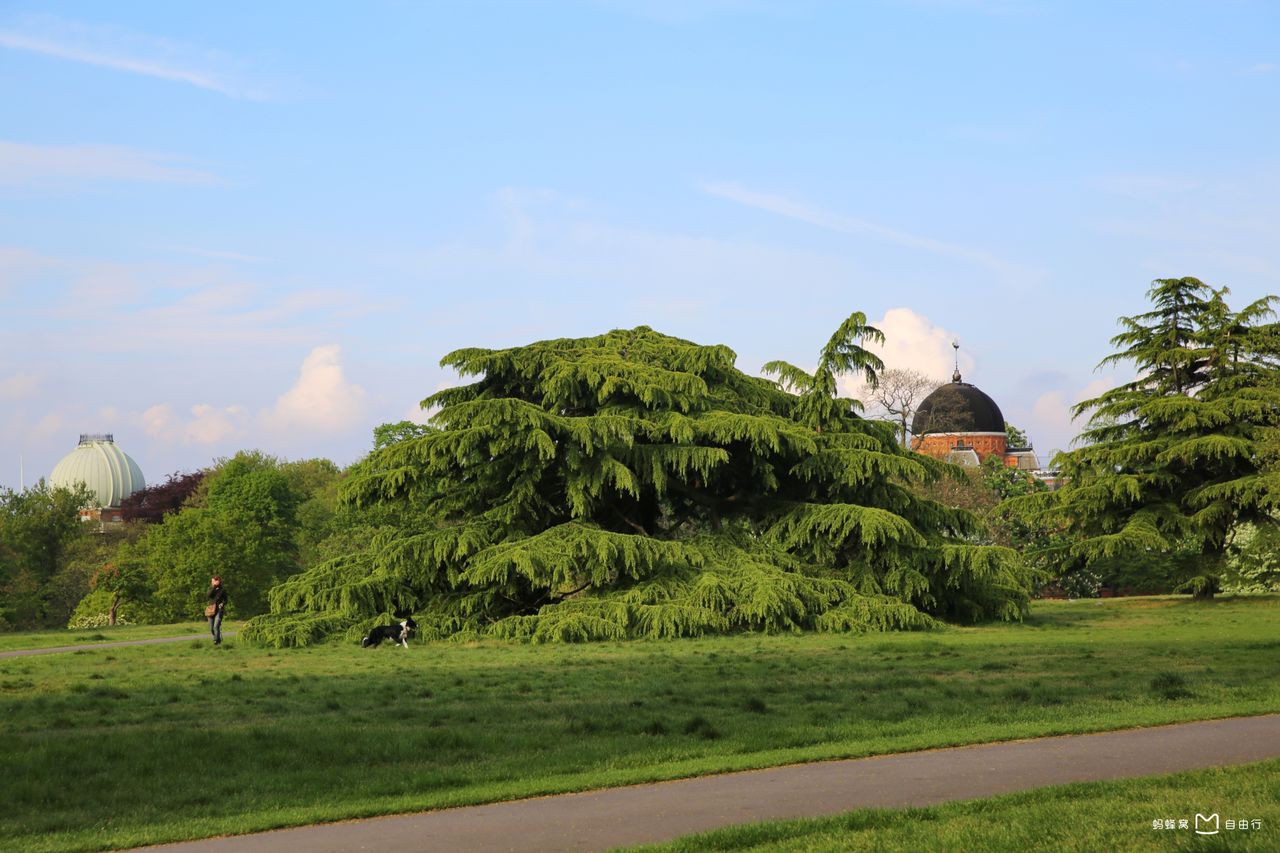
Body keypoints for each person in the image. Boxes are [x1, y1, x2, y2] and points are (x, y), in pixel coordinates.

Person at [207, 575, 228, 645]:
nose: (213, 582)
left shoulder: (222, 590)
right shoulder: (211, 589)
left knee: (216, 626)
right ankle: (217, 638)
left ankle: (216, 641)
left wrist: (222, 603)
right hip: (211, 610)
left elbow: (226, 599)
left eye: (214, 581)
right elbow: (209, 595)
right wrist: (214, 587)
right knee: (211, 628)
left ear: (218, 581)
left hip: (219, 610)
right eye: (212, 581)